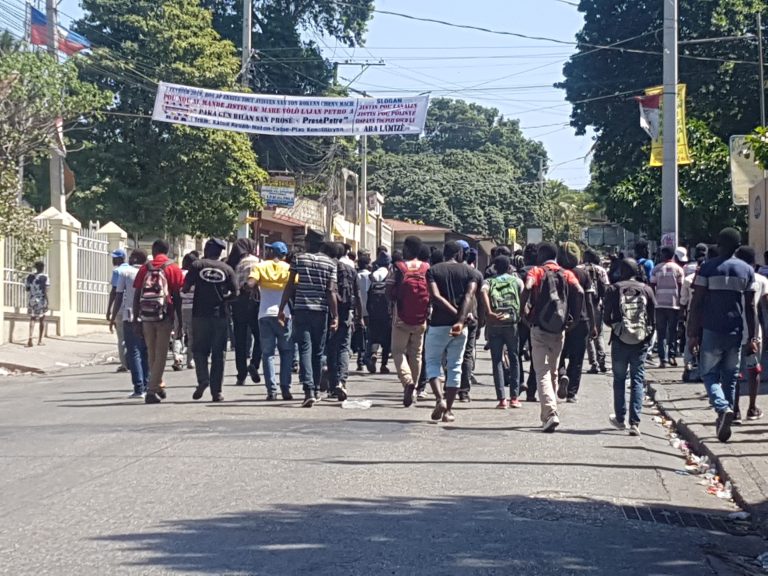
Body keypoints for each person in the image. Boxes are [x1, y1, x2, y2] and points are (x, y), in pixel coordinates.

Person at [688, 228, 757, 443]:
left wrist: (691, 334)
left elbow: (696, 303)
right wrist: (753, 337)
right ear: (738, 246)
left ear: (718, 244)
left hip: (711, 329)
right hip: (735, 331)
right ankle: (724, 416)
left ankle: (722, 407)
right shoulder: (746, 270)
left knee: (708, 373)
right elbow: (751, 308)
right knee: (730, 377)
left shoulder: (707, 268)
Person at [520, 242, 583, 432]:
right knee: (554, 370)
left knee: (542, 372)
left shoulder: (537, 272)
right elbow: (579, 291)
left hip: (540, 327)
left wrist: (523, 310)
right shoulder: (567, 273)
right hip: (559, 328)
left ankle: (550, 413)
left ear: (542, 255)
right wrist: (576, 318)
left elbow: (528, 285)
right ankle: (550, 410)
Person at [424, 241, 479, 423]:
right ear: (459, 254)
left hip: (438, 324)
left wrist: (455, 315)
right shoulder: (470, 273)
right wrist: (460, 319)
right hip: (460, 327)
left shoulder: (433, 270)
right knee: (455, 365)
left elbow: (435, 297)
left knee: (432, 363)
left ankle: (439, 399)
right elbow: (469, 296)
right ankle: (448, 411)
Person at [279, 244, 338, 408]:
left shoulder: (299, 259)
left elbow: (290, 285)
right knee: (318, 352)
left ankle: (308, 390)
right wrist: (336, 316)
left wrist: (282, 307)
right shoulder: (330, 263)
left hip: (301, 309)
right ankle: (317, 390)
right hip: (321, 311)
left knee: (305, 348)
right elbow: (331, 291)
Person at [605, 258, 656, 436]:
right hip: (641, 341)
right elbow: (653, 318)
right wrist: (646, 336)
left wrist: (618, 327)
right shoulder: (647, 289)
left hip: (620, 340)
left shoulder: (613, 289)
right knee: (637, 380)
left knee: (619, 379)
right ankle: (635, 422)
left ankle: (620, 418)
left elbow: (606, 317)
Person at [185, 238, 238, 403]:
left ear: (207, 249)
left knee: (199, 350)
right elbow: (235, 293)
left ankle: (203, 380)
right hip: (220, 316)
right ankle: (217, 392)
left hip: (200, 315)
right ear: (220, 252)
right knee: (218, 353)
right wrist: (223, 298)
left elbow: (185, 287)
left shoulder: (197, 265)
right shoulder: (227, 269)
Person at [133, 239, 185, 404]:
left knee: (152, 353)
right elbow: (177, 297)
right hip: (165, 315)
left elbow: (137, 294)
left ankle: (158, 384)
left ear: (154, 250)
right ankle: (151, 389)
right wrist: (179, 320)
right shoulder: (173, 268)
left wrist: (136, 318)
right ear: (168, 251)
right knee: (161, 355)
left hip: (146, 316)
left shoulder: (145, 268)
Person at [248, 241, 294, 401]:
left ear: (270, 252)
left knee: (267, 354)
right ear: (284, 255)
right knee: (286, 352)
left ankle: (271, 391)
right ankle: (286, 388)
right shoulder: (289, 269)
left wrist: (253, 287)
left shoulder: (260, 267)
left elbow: (250, 282)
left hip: (264, 315)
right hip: (284, 315)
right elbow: (296, 286)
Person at [389, 235, 431, 407]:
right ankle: (413, 391)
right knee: (416, 354)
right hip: (421, 318)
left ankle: (408, 383)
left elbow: (388, 289)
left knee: (398, 352)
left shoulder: (399, 268)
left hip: (401, 317)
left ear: (406, 249)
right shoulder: (427, 268)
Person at [481, 254, 523, 409]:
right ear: (509, 267)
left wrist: (490, 312)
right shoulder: (516, 281)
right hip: (512, 323)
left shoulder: (489, 281)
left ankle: (501, 400)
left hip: (494, 323)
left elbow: (483, 292)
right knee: (514, 358)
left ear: (494, 267)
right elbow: (524, 295)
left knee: (497, 360)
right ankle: (514, 398)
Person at [556, 242, 596, 403]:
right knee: (577, 359)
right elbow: (589, 301)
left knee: (559, 354)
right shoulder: (584, 274)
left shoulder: (556, 273)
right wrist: (593, 324)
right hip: (581, 320)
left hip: (559, 320)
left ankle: (561, 374)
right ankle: (572, 393)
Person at [324, 242, 362, 402]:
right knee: (343, 348)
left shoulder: (326, 267)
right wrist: (359, 316)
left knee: (330, 348)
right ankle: (342, 381)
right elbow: (358, 295)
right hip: (346, 313)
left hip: (328, 312)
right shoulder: (351, 270)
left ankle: (332, 386)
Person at [112, 249, 149, 398]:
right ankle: (147, 384)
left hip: (130, 316)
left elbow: (118, 295)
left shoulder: (125, 273)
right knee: (146, 351)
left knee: (134, 351)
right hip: (149, 316)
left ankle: (139, 388)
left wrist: (113, 316)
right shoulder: (150, 272)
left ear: (133, 259)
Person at [733, 247, 765, 423]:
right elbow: (764, 308)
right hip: (754, 334)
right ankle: (752, 408)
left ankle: (735, 410)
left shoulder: (732, 278)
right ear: (754, 261)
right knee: (754, 370)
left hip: (735, 331)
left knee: (735, 372)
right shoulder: (761, 280)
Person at [226, 239, 261, 386]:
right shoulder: (257, 261)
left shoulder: (233, 263)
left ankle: (241, 375)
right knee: (259, 336)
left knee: (240, 340)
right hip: (255, 301)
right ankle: (254, 363)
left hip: (238, 302)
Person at [456, 239, 482, 402]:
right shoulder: (476, 274)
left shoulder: (444, 270)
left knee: (449, 354)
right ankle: (464, 392)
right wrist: (482, 321)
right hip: (472, 318)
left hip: (450, 317)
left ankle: (449, 387)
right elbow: (480, 299)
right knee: (466, 354)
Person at [650, 246, 684, 368]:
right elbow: (681, 288)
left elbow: (652, 286)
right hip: (674, 304)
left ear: (663, 255)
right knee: (673, 332)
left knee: (661, 333)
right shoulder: (678, 269)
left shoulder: (656, 269)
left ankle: (663, 359)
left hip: (659, 304)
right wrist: (681, 304)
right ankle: (672, 356)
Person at [365, 252, 393, 374]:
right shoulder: (390, 274)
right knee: (386, 339)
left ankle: (373, 354)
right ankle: (384, 365)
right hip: (387, 314)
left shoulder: (373, 275)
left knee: (373, 337)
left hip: (373, 313)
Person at [582, 249, 609, 374]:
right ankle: (602, 361)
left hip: (585, 305)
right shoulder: (601, 270)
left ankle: (594, 364)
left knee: (588, 336)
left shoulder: (581, 269)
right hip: (598, 304)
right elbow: (606, 288)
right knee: (600, 334)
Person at [107, 248, 130, 372]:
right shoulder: (132, 270)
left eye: (115, 257)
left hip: (120, 308)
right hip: (131, 307)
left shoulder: (117, 272)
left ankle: (124, 364)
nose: (113, 259)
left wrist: (109, 311)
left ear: (121, 258)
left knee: (121, 338)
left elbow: (114, 292)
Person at [178, 251, 199, 370]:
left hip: (180, 307)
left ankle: (178, 357)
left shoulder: (179, 273)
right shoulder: (196, 275)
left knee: (178, 333)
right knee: (192, 336)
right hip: (193, 308)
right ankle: (190, 361)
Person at [353, 254, 372, 372]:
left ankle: (360, 359)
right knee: (368, 334)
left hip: (358, 309)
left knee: (360, 334)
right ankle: (366, 357)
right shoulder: (371, 277)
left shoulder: (356, 276)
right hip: (369, 309)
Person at [24, 261, 50, 348]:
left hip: (32, 299)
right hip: (41, 299)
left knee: (32, 318)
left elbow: (27, 289)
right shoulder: (45, 277)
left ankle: (30, 338)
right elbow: (46, 290)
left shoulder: (29, 277)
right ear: (42, 267)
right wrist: (47, 300)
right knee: (42, 319)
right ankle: (40, 340)